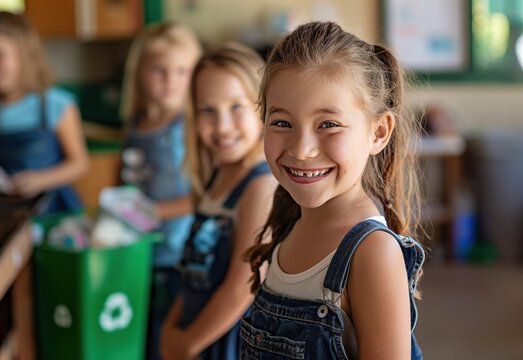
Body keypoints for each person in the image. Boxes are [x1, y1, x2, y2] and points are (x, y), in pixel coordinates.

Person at [240, 21, 426, 360]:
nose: (302, 149)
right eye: (282, 123)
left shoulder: (372, 253)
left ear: (378, 132)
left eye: (328, 125)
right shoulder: (289, 222)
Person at [160, 43, 277, 360]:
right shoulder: (216, 178)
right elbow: (193, 267)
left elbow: (243, 286)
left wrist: (187, 343)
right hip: (199, 334)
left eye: (236, 107)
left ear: (262, 106)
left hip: (231, 344)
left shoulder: (261, 185)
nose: (222, 126)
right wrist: (172, 327)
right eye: (207, 110)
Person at [118, 22, 201, 360]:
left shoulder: (186, 128)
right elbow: (125, 179)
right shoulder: (135, 126)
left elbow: (202, 195)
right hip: (139, 253)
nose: (171, 81)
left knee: (169, 340)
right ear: (140, 73)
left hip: (177, 255)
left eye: (182, 71)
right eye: (160, 71)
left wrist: (154, 212)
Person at [0, 11, 88, 214]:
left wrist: (42, 180)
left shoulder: (55, 103)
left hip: (54, 209)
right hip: (7, 209)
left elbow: (80, 163)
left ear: (23, 52)